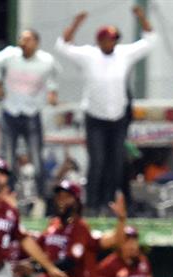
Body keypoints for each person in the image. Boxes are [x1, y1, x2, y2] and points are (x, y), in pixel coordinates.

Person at [55, 7, 156, 213]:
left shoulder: (124, 54)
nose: (112, 43)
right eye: (109, 39)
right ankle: (93, 203)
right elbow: (62, 46)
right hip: (95, 118)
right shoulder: (89, 55)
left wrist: (141, 18)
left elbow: (151, 40)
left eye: (114, 39)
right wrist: (75, 24)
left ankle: (109, 203)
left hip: (117, 118)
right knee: (98, 161)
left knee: (116, 162)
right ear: (101, 40)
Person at [0, 29, 60, 197]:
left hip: (31, 113)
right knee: (8, 159)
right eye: (21, 39)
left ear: (36, 42)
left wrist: (52, 92)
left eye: (28, 40)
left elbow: (53, 77)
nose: (23, 43)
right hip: (10, 111)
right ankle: (7, 196)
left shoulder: (46, 60)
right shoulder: (10, 54)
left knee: (36, 158)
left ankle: (41, 199)